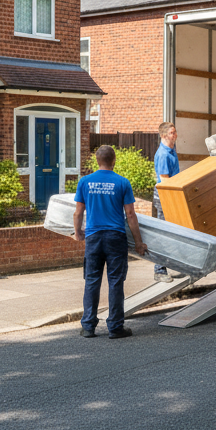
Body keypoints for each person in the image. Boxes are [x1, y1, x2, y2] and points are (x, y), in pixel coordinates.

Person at [74, 145, 147, 339]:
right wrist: (139, 243)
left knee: (91, 280)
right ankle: (115, 327)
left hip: (94, 237)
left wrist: (77, 232)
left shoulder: (85, 182)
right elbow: (130, 214)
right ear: (114, 160)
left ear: (97, 161)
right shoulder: (122, 182)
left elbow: (78, 212)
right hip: (115, 237)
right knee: (115, 282)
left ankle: (88, 326)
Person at [151, 121, 183, 283]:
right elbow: (165, 182)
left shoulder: (171, 150)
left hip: (170, 195)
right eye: (172, 133)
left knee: (173, 233)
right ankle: (159, 270)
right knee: (163, 234)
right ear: (164, 136)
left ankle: (174, 265)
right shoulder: (163, 155)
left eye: (175, 132)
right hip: (165, 197)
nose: (175, 135)